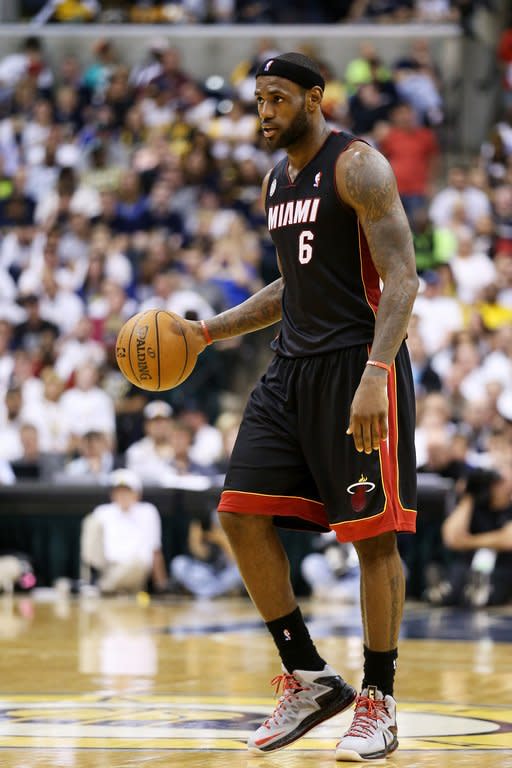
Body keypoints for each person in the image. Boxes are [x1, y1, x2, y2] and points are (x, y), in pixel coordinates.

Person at [180, 52, 419, 761]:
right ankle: (309, 676)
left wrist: (377, 371)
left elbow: (403, 280)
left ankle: (379, 700)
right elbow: (289, 286)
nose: (265, 112)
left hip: (357, 364)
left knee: (373, 538)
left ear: (315, 98)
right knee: (239, 514)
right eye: (260, 100)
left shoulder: (358, 167)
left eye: (279, 98)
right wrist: (207, 332)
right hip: (291, 369)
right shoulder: (273, 181)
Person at [80, 468, 168, 595]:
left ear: (137, 494)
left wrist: (161, 585)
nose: (122, 495)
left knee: (136, 564)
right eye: (119, 491)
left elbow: (155, 551)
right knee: (90, 522)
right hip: (108, 568)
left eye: (127, 491)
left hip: (135, 570)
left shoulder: (148, 512)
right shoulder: (102, 512)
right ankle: (91, 583)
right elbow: (90, 549)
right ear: (112, 494)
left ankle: (101, 588)